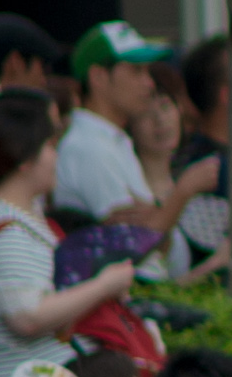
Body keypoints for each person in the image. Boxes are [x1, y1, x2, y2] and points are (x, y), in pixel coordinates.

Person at [0, 91, 136, 373]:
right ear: (25, 158)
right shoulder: (8, 230)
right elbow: (27, 316)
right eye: (51, 146)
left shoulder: (17, 214)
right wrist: (104, 285)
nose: (58, 156)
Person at [52, 22, 192, 235]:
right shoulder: (91, 148)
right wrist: (185, 191)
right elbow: (137, 245)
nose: (149, 83)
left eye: (147, 71)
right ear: (98, 77)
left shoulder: (108, 139)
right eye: (136, 71)